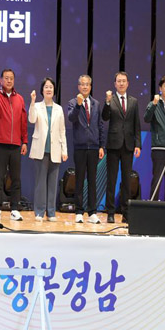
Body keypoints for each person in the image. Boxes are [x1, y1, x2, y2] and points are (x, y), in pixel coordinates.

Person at [0, 69, 28, 221]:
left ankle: (14, 209)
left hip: (16, 144)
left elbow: (23, 121)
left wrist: (24, 141)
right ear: (1, 81)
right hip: (0, 144)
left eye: (11, 78)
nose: (9, 81)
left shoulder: (20, 99)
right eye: (6, 78)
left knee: (16, 178)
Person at [102, 71, 141, 223]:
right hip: (113, 145)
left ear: (128, 83)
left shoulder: (134, 101)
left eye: (124, 81)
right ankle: (110, 212)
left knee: (126, 181)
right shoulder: (110, 100)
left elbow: (136, 124)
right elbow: (105, 117)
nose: (121, 83)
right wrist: (107, 102)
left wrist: (138, 144)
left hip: (128, 145)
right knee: (111, 180)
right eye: (119, 81)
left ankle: (126, 212)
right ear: (115, 84)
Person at [67, 75, 105, 224]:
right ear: (78, 87)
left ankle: (92, 212)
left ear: (90, 87)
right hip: (80, 147)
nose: (84, 87)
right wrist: (78, 105)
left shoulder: (96, 103)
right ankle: (78, 211)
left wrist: (101, 145)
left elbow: (100, 125)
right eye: (82, 84)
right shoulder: (72, 102)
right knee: (79, 180)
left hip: (94, 147)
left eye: (87, 84)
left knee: (92, 181)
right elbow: (71, 118)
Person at [29, 78, 68, 222]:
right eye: (46, 87)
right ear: (42, 90)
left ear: (54, 90)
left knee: (52, 183)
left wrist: (64, 150)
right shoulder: (37, 106)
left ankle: (51, 212)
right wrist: (32, 102)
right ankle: (39, 212)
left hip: (55, 149)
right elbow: (32, 119)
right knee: (40, 183)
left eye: (51, 87)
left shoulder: (59, 109)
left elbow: (62, 130)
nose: (49, 89)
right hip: (40, 149)